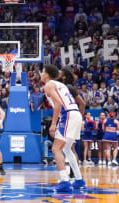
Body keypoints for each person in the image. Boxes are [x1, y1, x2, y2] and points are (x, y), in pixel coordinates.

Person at [41, 64, 86, 192]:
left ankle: (65, 182)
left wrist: (54, 124)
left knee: (56, 149)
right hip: (75, 113)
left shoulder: (49, 85)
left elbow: (58, 104)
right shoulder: (61, 85)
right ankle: (79, 180)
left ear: (47, 74)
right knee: (66, 148)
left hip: (68, 114)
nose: (41, 74)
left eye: (42, 72)